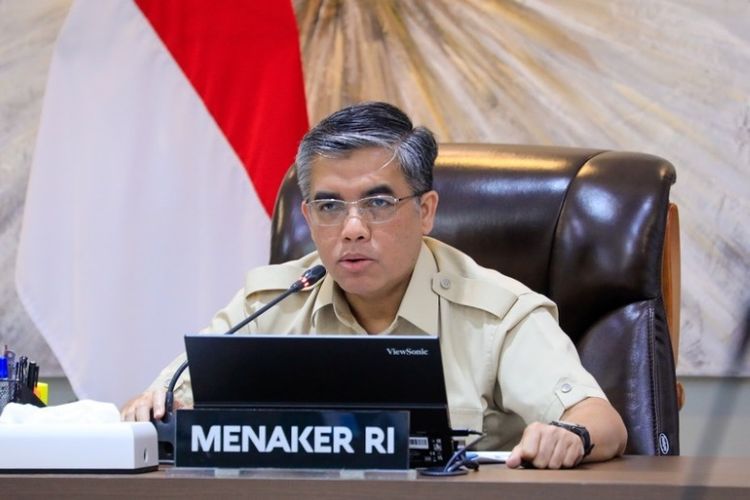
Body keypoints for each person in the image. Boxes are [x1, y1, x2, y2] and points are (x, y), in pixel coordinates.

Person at [122, 101, 627, 469]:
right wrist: (149, 409)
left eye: (379, 203)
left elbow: (601, 422)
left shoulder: (497, 314)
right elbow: (161, 400)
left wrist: (570, 436)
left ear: (425, 211)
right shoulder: (272, 303)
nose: (352, 228)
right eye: (329, 206)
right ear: (307, 218)